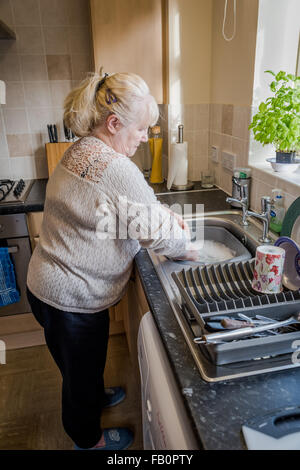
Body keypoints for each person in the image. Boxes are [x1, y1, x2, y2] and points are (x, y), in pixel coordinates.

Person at [26, 70, 197, 450]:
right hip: (71, 299)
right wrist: (185, 241)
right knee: (78, 377)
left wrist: (164, 220)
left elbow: (127, 213)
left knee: (80, 365)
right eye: (140, 130)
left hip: (49, 285)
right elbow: (158, 233)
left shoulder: (82, 149)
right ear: (115, 122)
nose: (144, 138)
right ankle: (88, 442)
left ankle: (93, 394)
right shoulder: (117, 169)